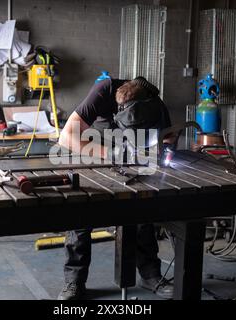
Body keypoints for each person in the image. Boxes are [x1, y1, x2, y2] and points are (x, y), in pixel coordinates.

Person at [57, 76, 174, 300]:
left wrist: (166, 149)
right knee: (80, 218)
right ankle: (74, 283)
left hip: (132, 164)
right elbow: (66, 137)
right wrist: (114, 154)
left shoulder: (155, 104)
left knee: (142, 212)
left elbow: (168, 136)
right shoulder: (104, 90)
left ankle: (150, 275)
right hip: (90, 155)